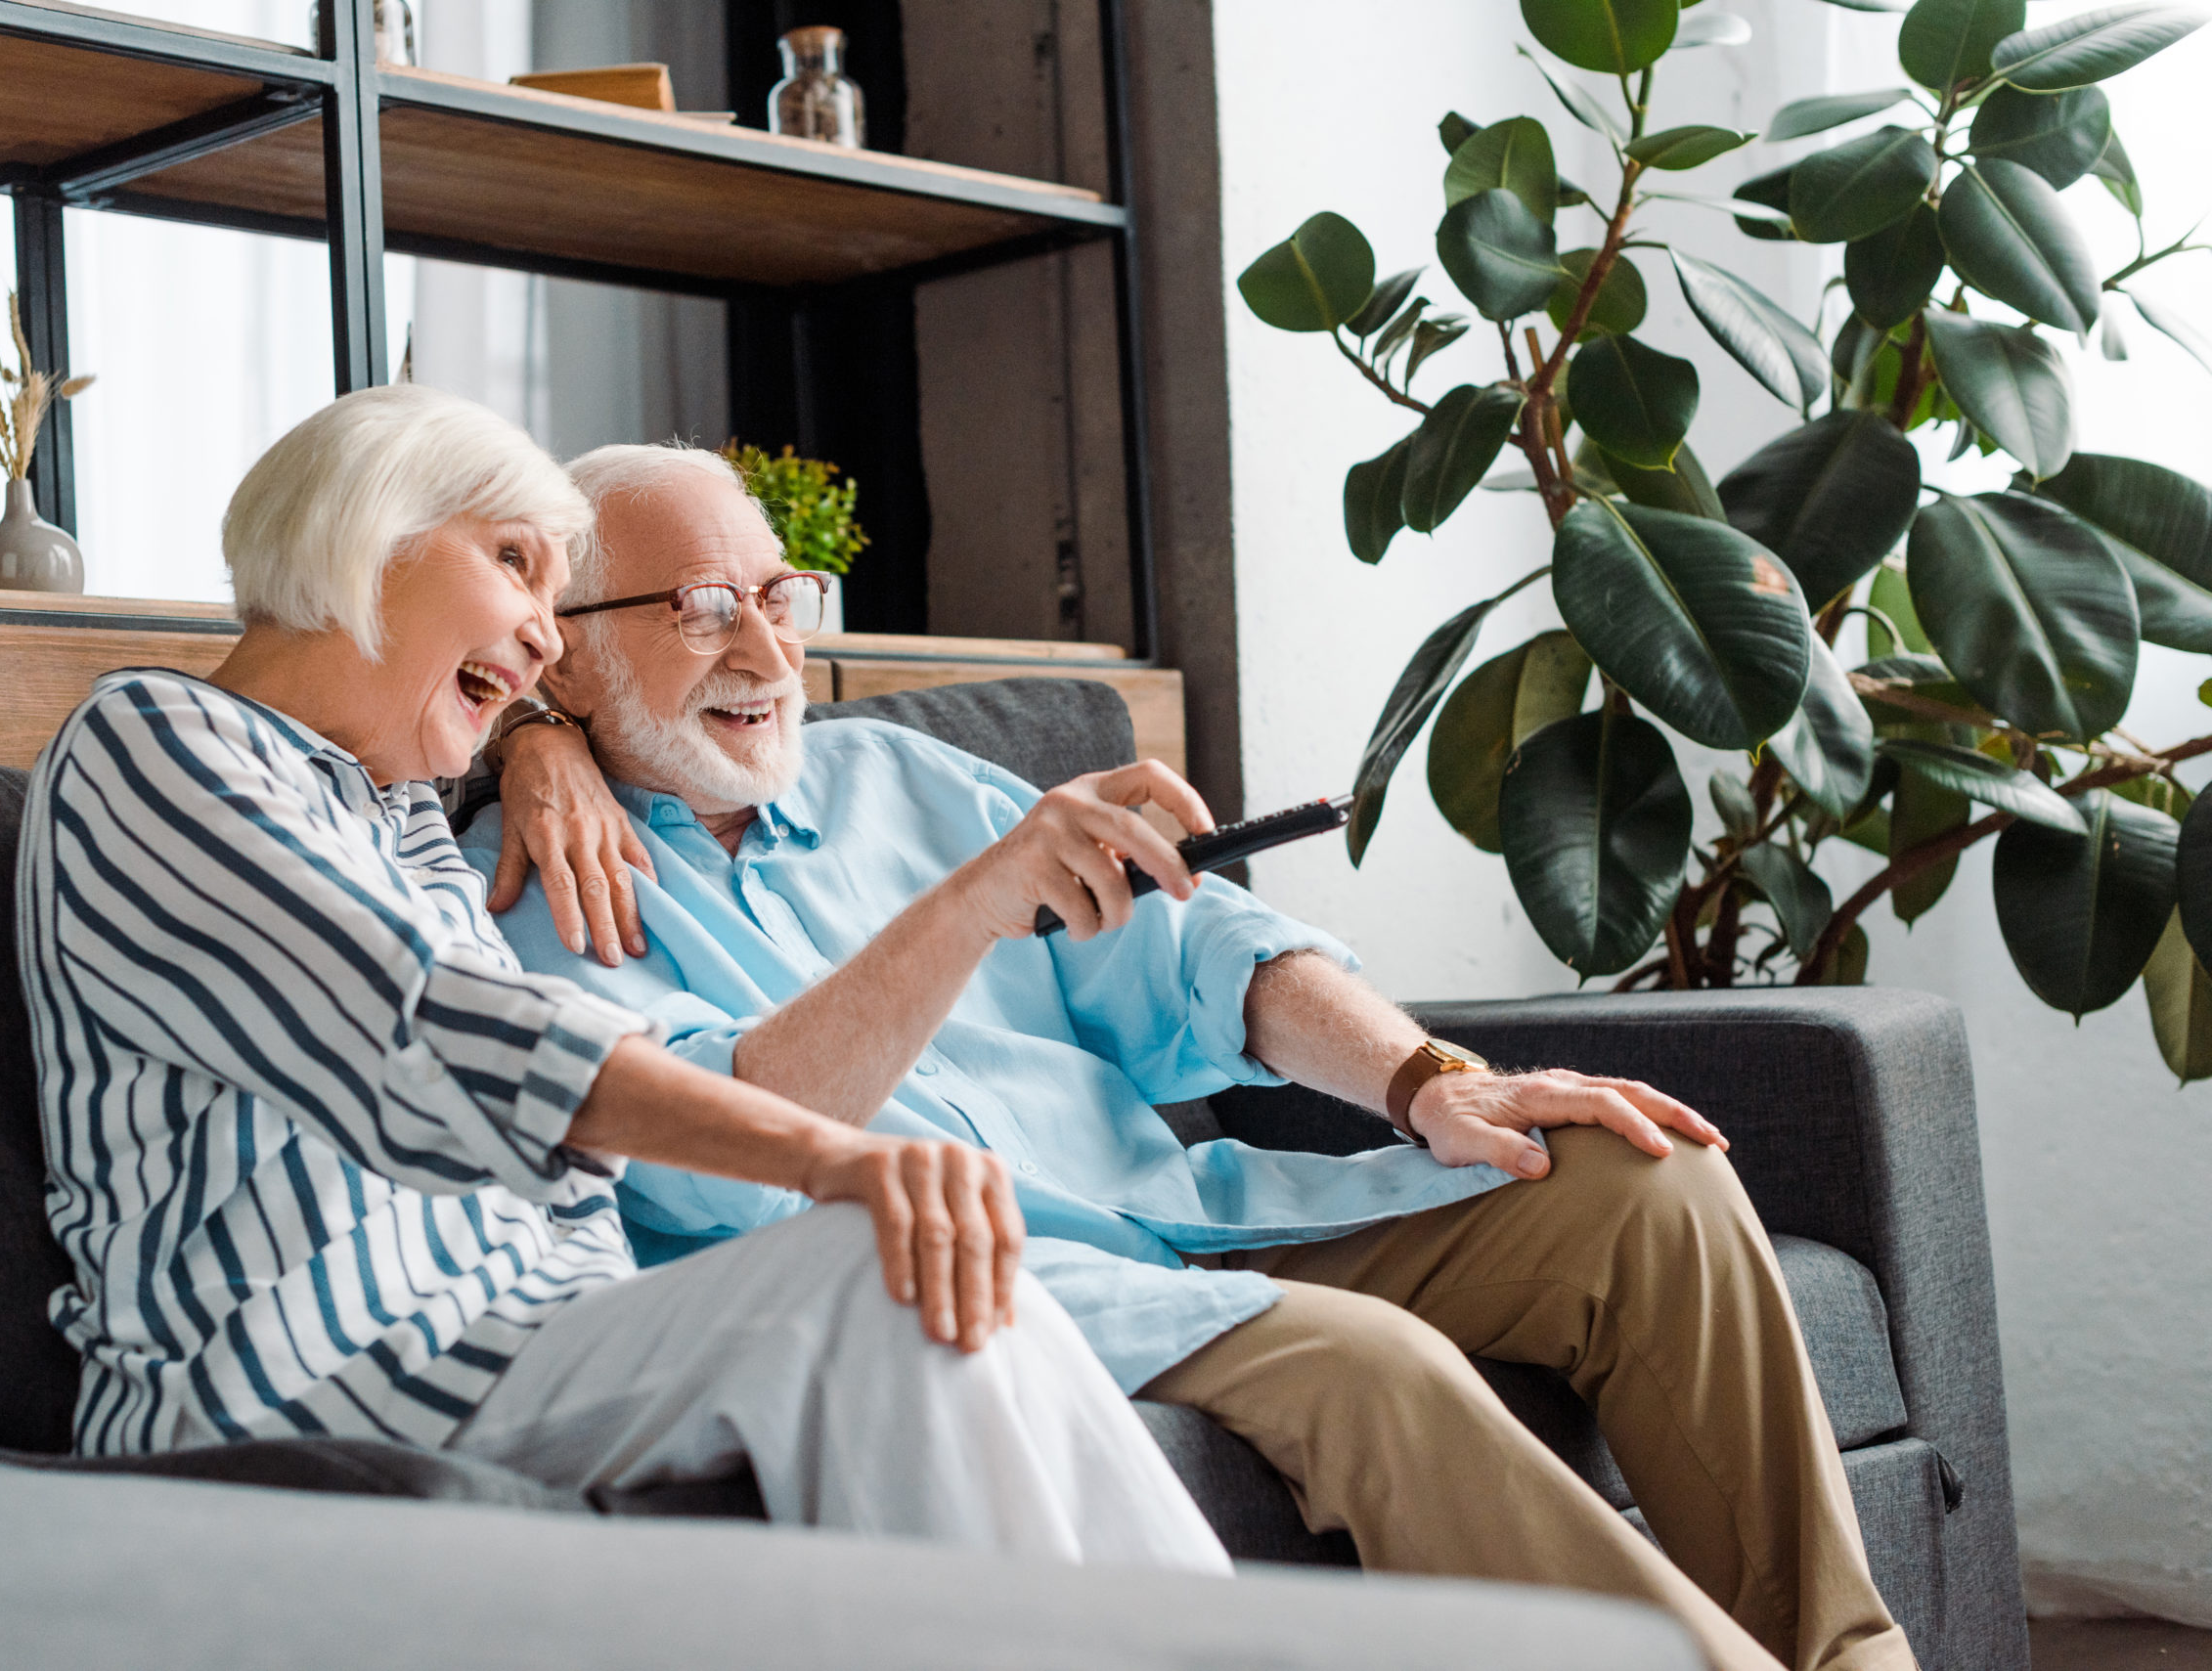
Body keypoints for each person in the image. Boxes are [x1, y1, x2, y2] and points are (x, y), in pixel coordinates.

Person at [466, 443, 1919, 1671]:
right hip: (1000, 1293)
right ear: (566, 651)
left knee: (1640, 1178)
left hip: (1198, 1217)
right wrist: (971, 901)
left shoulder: (887, 775)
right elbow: (718, 1163)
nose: (769, 651)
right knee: (1377, 1368)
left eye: (780, 596)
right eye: (706, 606)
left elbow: (1203, 947)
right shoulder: (521, 888)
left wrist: (1427, 1082)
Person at [12, 387, 1229, 1574]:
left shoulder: (407, 818)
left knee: (952, 1270)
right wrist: (830, 1156)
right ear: (369, 539)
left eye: (556, 594)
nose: (543, 633)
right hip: (303, 1379)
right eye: (513, 564)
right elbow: (440, 1035)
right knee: (869, 1254)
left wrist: (539, 738)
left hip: (532, 1343)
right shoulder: (156, 745)